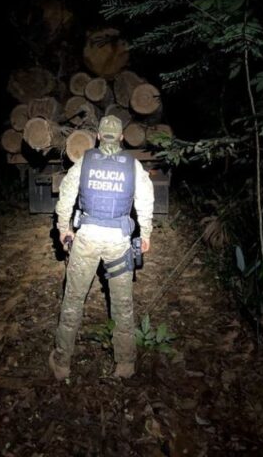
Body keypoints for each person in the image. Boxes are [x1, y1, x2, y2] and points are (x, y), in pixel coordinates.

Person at [48, 115, 153, 379]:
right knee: (122, 304)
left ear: (97, 137)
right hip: (118, 240)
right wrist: (147, 233)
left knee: (73, 299)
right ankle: (125, 364)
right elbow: (145, 200)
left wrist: (64, 229)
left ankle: (61, 363)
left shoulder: (85, 162)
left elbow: (66, 198)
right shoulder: (133, 165)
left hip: (86, 240)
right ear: (121, 137)